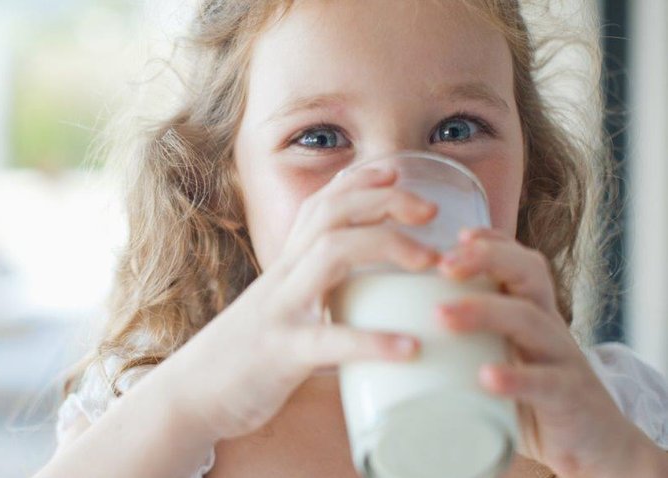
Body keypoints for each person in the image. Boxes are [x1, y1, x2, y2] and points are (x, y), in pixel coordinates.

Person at [34, 1, 668, 477]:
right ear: (226, 185)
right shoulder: (155, 424)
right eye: (319, 139)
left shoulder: (607, 412)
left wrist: (617, 458)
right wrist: (189, 402)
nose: (400, 198)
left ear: (530, 163)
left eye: (457, 129)